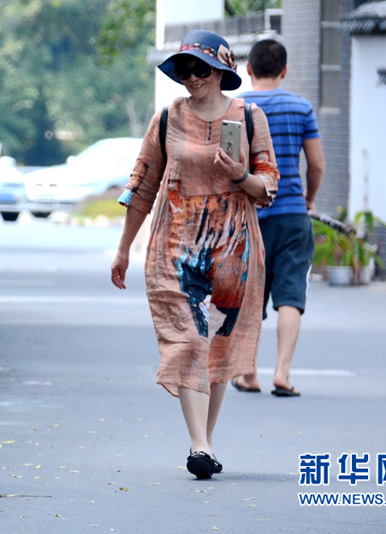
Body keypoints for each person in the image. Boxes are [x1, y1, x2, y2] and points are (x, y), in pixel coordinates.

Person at [109, 30, 279, 480]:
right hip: (175, 244)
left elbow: (268, 188)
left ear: (222, 71)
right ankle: (199, 444)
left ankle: (206, 440)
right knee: (188, 340)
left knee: (217, 344)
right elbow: (142, 185)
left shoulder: (250, 116)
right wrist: (124, 248)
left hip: (233, 244)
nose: (192, 77)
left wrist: (240, 174)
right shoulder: (166, 117)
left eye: (200, 68)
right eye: (184, 69)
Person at [231, 39, 324, 397]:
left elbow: (228, 164)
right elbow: (315, 163)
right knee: (290, 296)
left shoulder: (236, 109)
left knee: (249, 295)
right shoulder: (301, 108)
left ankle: (248, 372)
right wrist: (309, 198)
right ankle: (282, 374)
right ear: (284, 70)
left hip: (247, 217)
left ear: (248, 70)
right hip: (291, 216)